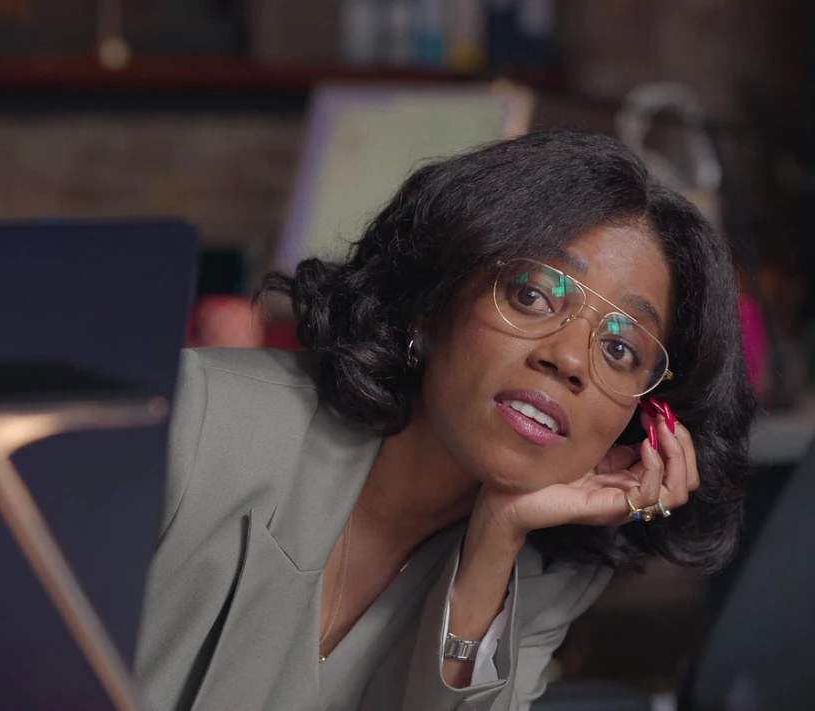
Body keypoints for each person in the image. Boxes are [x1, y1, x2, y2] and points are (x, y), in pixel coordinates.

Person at [133, 130, 755, 711]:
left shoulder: (549, 577)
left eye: (620, 349)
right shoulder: (194, 420)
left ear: (644, 415)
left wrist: (496, 539)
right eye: (532, 295)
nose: (568, 359)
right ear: (432, 297)